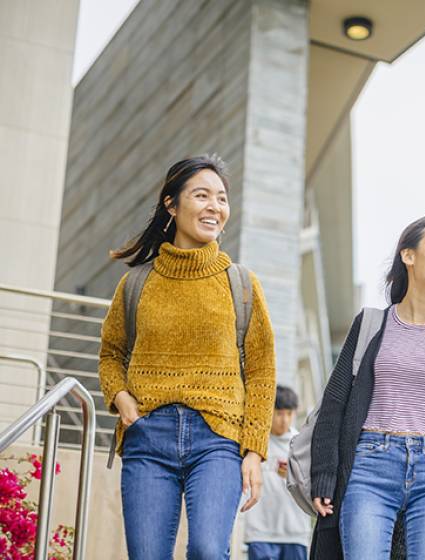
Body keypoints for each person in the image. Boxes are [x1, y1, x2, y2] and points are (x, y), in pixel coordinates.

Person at [98, 154, 276, 559]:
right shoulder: (137, 282)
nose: (215, 206)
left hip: (218, 440)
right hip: (148, 435)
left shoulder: (241, 284)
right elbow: (111, 353)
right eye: (201, 195)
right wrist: (122, 400)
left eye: (222, 198)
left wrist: (253, 450)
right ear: (172, 205)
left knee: (210, 550)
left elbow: (262, 371)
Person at [309, 215, 425, 560]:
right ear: (408, 256)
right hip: (369, 467)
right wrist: (323, 475)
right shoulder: (370, 325)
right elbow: (334, 404)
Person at [244, 385, 312, 560]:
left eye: (289, 414)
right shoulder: (255, 444)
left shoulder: (301, 444)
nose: (285, 420)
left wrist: (292, 475)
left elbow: (312, 486)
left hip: (295, 531)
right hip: (260, 531)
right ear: (269, 411)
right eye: (279, 413)